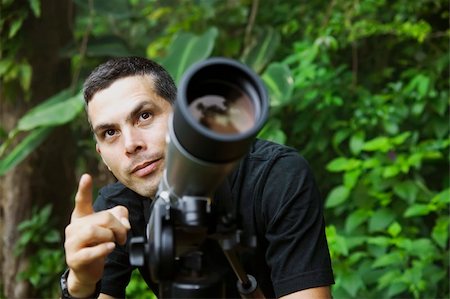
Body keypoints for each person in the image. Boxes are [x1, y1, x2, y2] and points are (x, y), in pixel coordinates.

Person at [62, 56, 334, 299]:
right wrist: (80, 285)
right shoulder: (119, 210)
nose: (131, 144)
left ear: (184, 116)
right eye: (110, 133)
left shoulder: (273, 176)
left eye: (144, 116)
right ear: (101, 154)